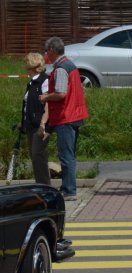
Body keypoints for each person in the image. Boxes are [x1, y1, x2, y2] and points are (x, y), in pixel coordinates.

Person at [40, 37, 88, 200]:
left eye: (46, 51)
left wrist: (46, 97)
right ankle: (68, 186)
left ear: (52, 51)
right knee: (70, 155)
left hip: (65, 116)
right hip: (75, 114)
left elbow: (61, 94)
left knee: (66, 156)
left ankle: (69, 190)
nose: (45, 54)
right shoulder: (70, 64)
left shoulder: (61, 68)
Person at [20, 52, 50, 185]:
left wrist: (43, 123)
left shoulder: (44, 81)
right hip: (30, 124)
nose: (25, 67)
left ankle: (44, 186)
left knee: (38, 156)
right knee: (35, 156)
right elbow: (29, 104)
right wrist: (23, 122)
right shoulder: (32, 82)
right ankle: (41, 185)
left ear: (32, 66)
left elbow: (48, 104)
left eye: (26, 64)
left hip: (40, 125)